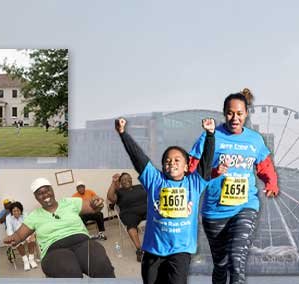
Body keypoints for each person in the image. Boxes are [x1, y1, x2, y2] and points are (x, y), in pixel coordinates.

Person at [117, 117, 223, 284]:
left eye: (176, 160)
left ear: (186, 167)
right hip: (153, 251)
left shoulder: (194, 183)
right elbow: (138, 157)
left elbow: (206, 162)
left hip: (180, 252)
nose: (171, 163)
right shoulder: (155, 180)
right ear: (162, 166)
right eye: (167, 161)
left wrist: (210, 135)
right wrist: (123, 134)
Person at [190, 90, 279, 284]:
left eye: (239, 113)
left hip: (245, 206)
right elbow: (192, 170)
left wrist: (271, 183)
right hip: (215, 210)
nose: (235, 118)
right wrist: (214, 172)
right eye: (230, 113)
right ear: (224, 113)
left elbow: (265, 165)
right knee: (221, 265)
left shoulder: (255, 140)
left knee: (236, 261)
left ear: (246, 113)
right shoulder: (210, 137)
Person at [2, 177, 115, 278]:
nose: (45, 194)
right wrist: (13, 239)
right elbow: (19, 235)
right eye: (40, 193)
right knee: (70, 272)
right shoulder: (34, 216)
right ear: (36, 197)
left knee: (102, 267)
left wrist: (97, 203)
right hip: (54, 250)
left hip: (83, 242)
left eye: (47, 190)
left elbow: (92, 207)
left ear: (52, 190)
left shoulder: (69, 202)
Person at [106, 172, 148, 262]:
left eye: (128, 178)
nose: (126, 180)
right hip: (129, 213)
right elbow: (110, 197)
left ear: (131, 179)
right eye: (123, 179)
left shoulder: (139, 187)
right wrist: (113, 182)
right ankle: (139, 250)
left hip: (146, 210)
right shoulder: (119, 191)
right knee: (131, 225)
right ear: (120, 182)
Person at [5, 201, 39, 271]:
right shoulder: (8, 217)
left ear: (21, 210)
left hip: (26, 233)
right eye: (14, 211)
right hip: (16, 235)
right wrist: (13, 239)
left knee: (31, 239)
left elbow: (31, 226)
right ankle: (25, 261)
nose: (16, 212)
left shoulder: (25, 214)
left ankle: (31, 259)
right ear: (11, 212)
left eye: (18, 210)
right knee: (18, 242)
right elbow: (9, 230)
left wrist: (32, 234)